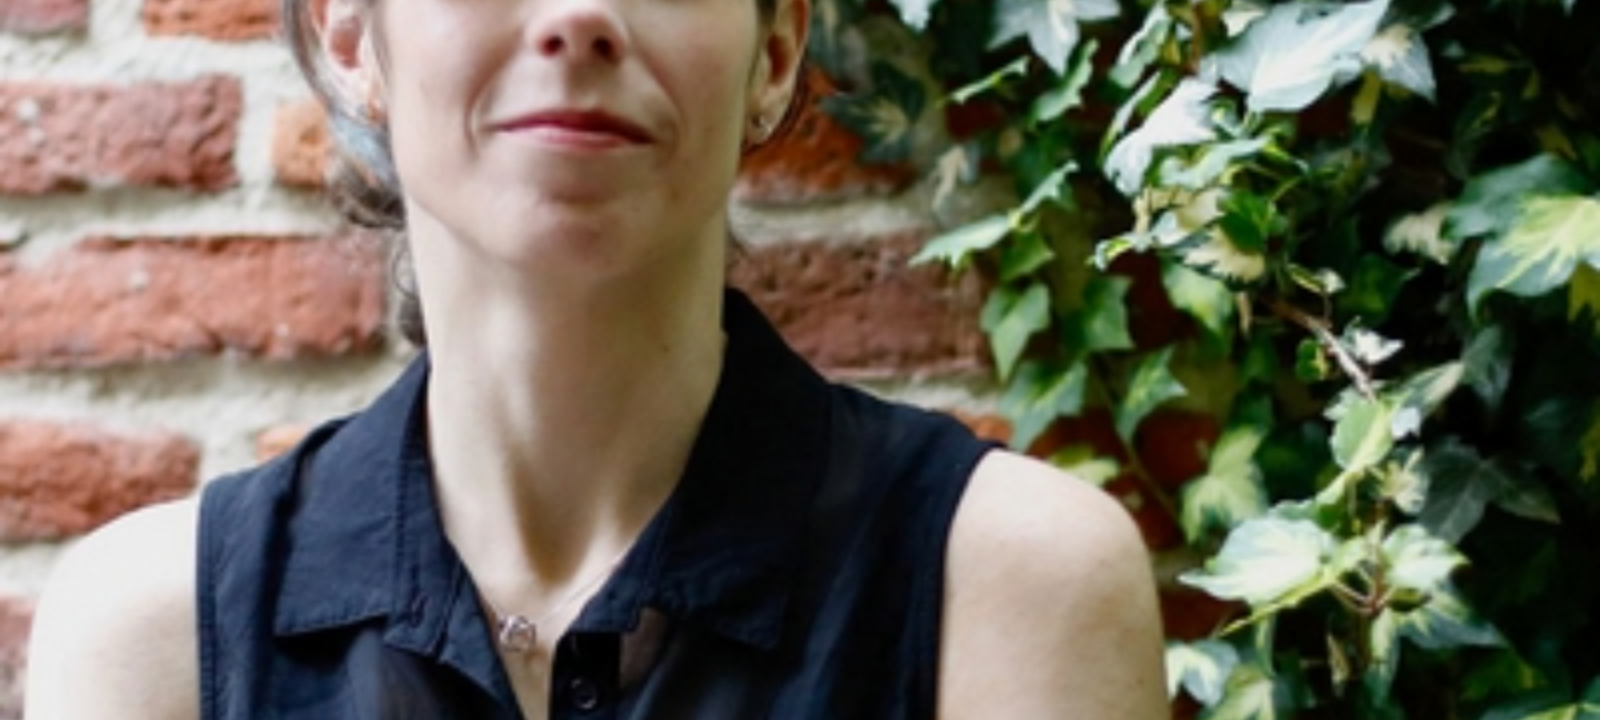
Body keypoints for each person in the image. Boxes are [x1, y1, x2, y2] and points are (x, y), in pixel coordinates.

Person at [23, 0, 1168, 715]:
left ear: (774, 51)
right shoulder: (154, 637)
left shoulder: (1012, 587)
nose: (578, 18)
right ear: (350, 34)